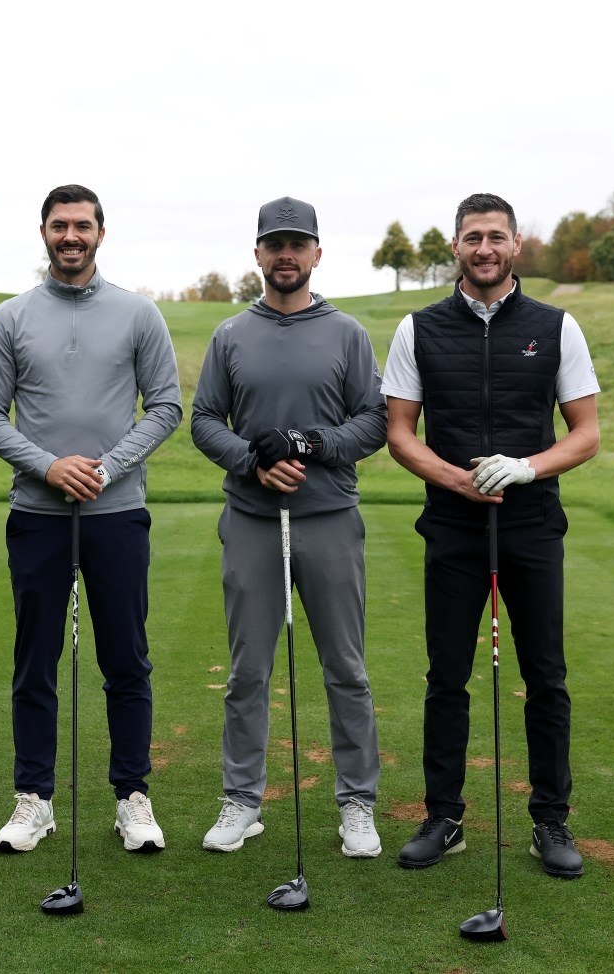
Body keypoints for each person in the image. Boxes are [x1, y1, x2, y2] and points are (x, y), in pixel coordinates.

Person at [381, 192, 601, 878]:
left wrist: (527, 467)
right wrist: (456, 479)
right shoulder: (418, 329)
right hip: (452, 526)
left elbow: (587, 434)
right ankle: (443, 816)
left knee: (547, 678)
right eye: (472, 237)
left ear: (515, 245)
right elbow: (398, 433)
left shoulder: (556, 327)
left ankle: (550, 821)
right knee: (446, 676)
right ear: (456, 247)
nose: (484, 248)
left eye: (496, 237)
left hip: (532, 524)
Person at [0, 184, 182, 854]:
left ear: (100, 232)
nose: (71, 236)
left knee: (127, 660)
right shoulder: (10, 318)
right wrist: (47, 466)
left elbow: (166, 406)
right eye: (60, 225)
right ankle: (33, 799)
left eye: (82, 225)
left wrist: (105, 468)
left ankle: (133, 798)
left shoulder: (138, 313)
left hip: (117, 513)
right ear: (43, 232)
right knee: (35, 661)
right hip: (37, 514)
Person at [191, 196, 387, 858]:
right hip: (251, 520)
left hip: (329, 519)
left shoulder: (348, 333)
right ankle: (243, 800)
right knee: (249, 669)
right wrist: (253, 462)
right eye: (274, 244)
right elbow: (204, 419)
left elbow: (373, 421)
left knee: (347, 669)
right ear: (257, 254)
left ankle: (357, 803)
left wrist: (304, 444)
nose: (286, 254)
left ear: (317, 254)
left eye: (297, 244)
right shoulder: (229, 335)